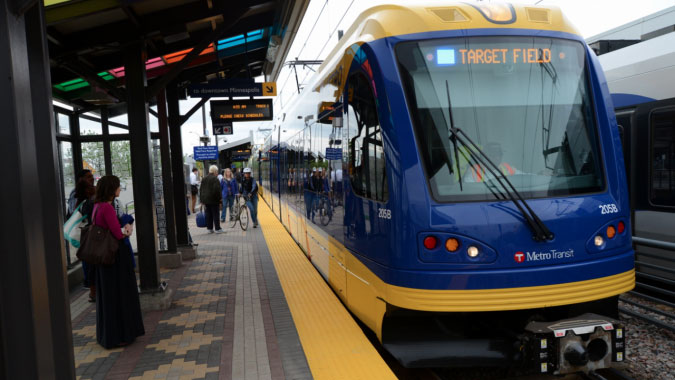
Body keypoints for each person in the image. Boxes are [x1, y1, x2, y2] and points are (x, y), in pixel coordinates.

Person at [92, 175, 144, 349]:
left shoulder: (97, 207)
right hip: (115, 259)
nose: (120, 189)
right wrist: (127, 230)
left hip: (104, 260)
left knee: (108, 297)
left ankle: (108, 335)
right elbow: (117, 233)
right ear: (111, 189)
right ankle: (121, 335)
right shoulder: (107, 207)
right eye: (118, 187)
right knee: (120, 295)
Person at [73, 170, 96, 301]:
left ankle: (93, 291)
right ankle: (93, 291)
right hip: (88, 236)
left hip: (87, 236)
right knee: (91, 264)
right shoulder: (85, 200)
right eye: (89, 177)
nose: (92, 179)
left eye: (92, 176)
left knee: (90, 263)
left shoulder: (85, 199)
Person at [199, 165, 223, 233]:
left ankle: (210, 228)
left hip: (206, 200)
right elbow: (217, 190)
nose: (217, 173)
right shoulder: (215, 179)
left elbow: (201, 190)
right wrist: (220, 198)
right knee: (215, 214)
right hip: (214, 200)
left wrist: (202, 200)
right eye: (217, 171)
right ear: (214, 171)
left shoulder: (204, 178)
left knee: (208, 214)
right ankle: (218, 228)